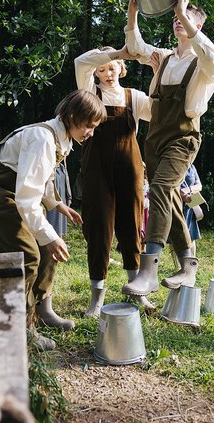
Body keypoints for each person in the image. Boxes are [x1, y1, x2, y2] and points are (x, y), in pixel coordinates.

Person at [0, 89, 104, 351]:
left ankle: (42, 310)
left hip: (11, 193)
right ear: (73, 116)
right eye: (89, 126)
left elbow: (43, 178)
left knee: (49, 249)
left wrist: (57, 205)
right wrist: (48, 235)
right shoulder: (42, 138)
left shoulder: (61, 137)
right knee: (27, 255)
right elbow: (27, 198)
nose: (91, 132)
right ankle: (22, 328)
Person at [122, 0, 214, 298]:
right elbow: (135, 46)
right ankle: (188, 264)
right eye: (177, 17)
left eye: (186, 17)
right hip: (154, 138)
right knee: (172, 198)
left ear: (198, 25)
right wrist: (133, 13)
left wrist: (181, 7)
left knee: (162, 189)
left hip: (182, 137)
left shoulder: (208, 63)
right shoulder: (164, 58)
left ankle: (148, 270)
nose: (178, 20)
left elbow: (207, 53)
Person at [74, 45, 153, 317]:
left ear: (122, 68)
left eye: (113, 66)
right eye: (103, 68)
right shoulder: (89, 93)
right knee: (98, 229)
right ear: (96, 72)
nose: (109, 72)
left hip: (130, 169)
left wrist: (157, 67)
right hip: (96, 169)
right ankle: (97, 297)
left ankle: (135, 289)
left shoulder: (136, 97)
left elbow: (161, 111)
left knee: (132, 226)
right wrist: (114, 52)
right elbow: (80, 61)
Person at [180, 163, 203, 257]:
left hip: (190, 205)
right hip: (177, 203)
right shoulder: (175, 163)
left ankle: (192, 261)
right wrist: (182, 193)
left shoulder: (192, 167)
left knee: (191, 235)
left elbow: (199, 186)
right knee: (177, 235)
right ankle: (178, 265)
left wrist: (188, 189)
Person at [45, 161, 72, 237]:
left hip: (61, 198)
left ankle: (59, 237)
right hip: (50, 199)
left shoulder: (61, 167)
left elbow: (66, 181)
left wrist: (69, 197)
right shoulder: (47, 167)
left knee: (60, 219)